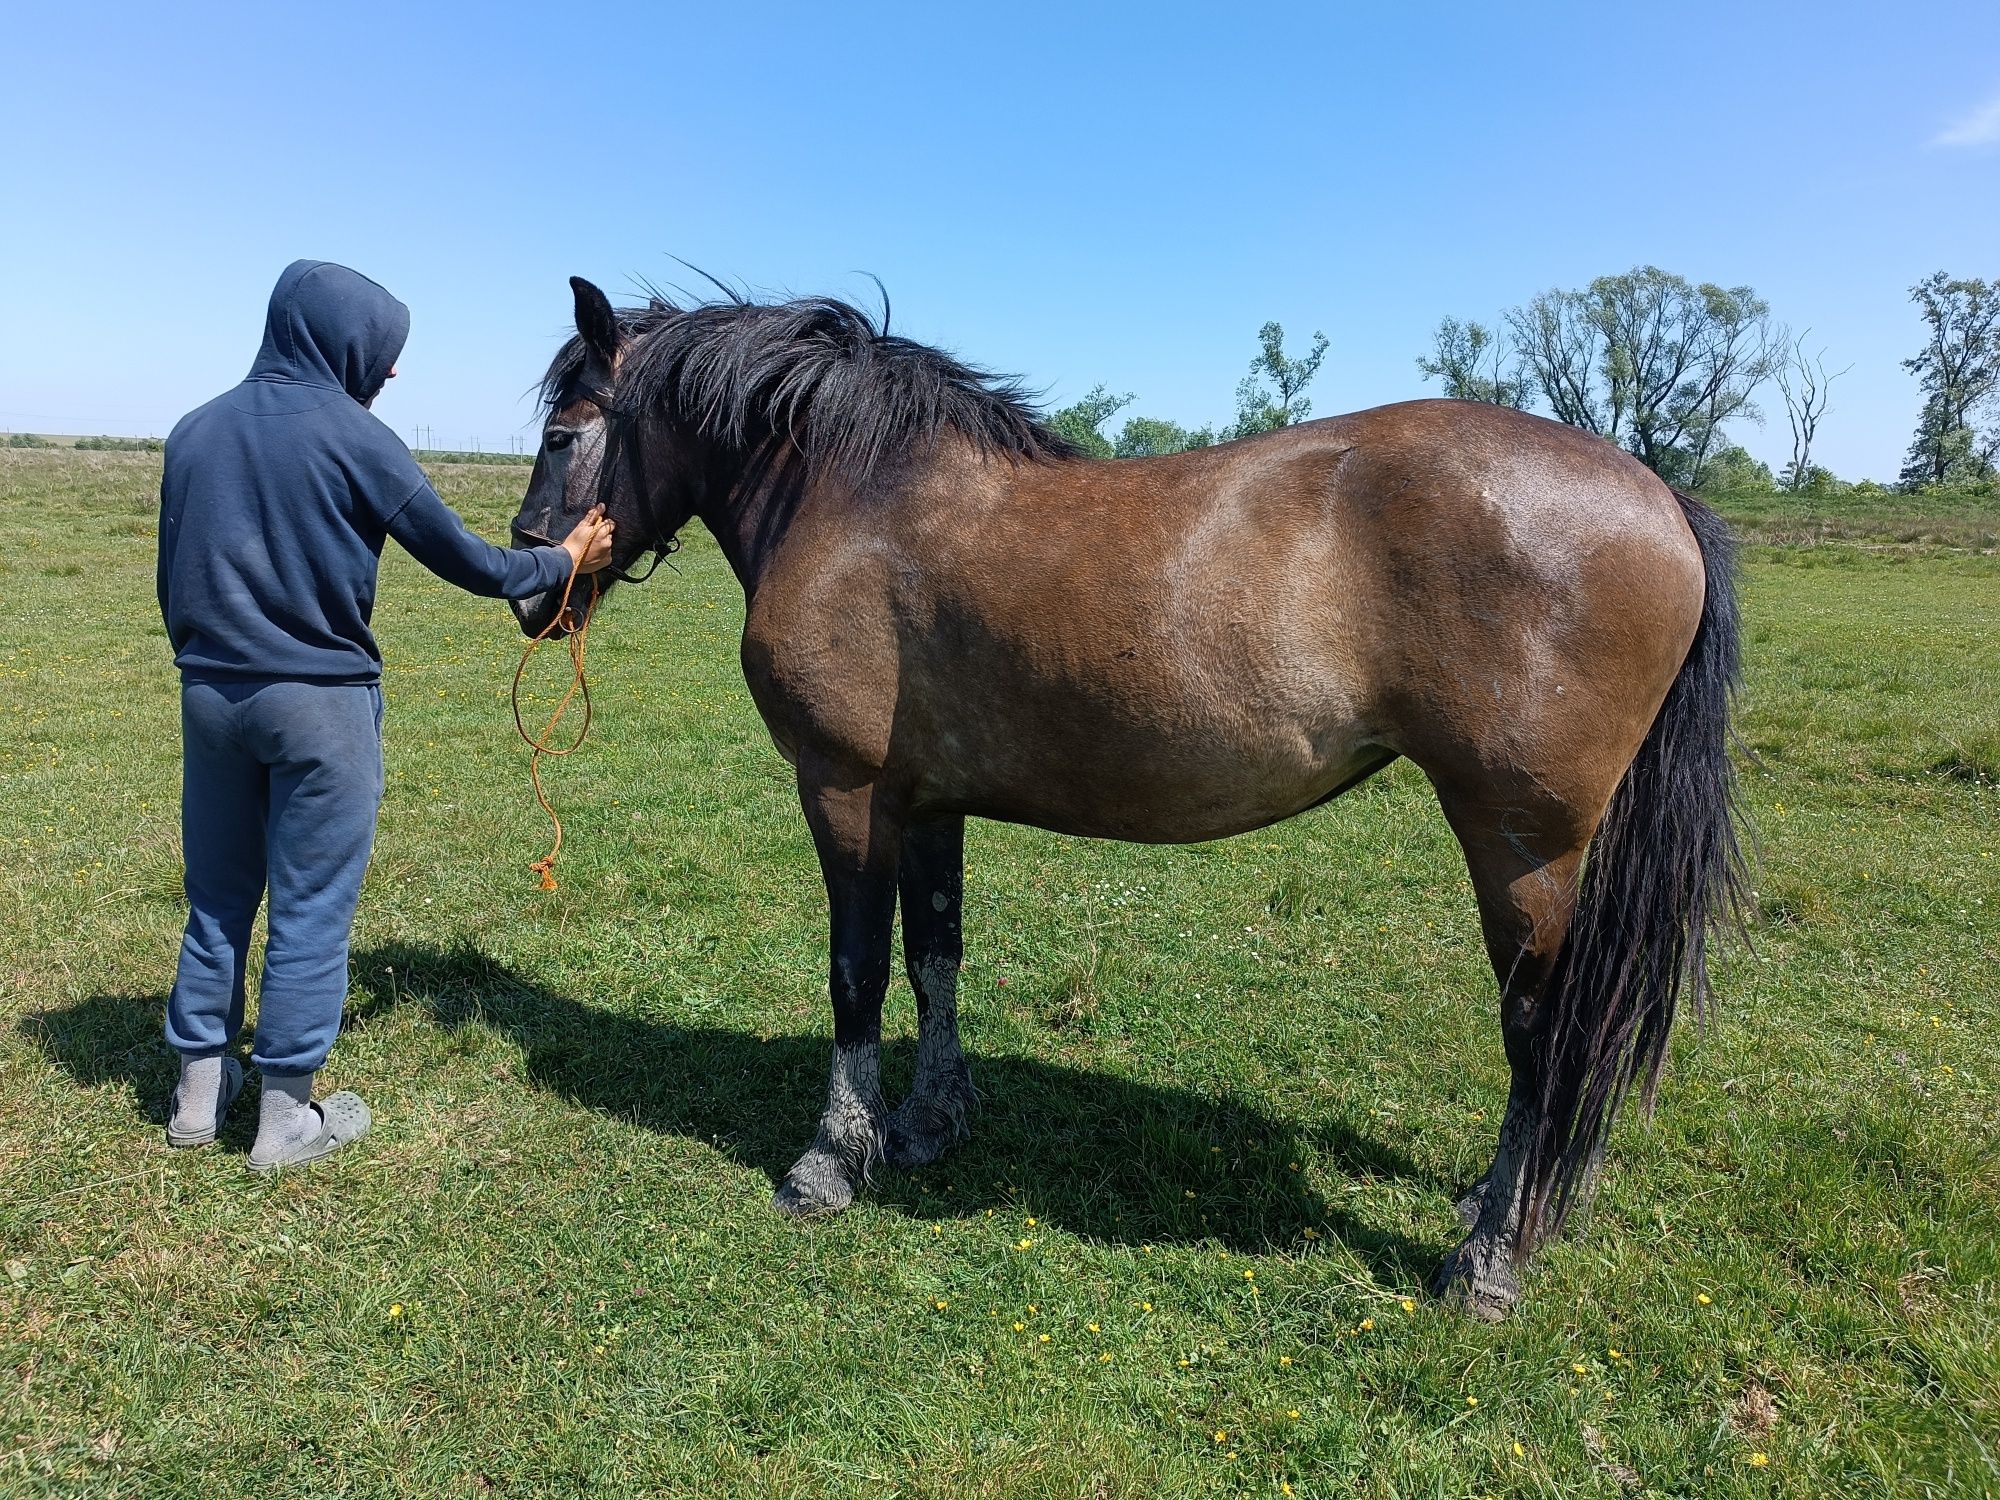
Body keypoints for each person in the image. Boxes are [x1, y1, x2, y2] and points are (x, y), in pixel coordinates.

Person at [155, 259, 613, 1170]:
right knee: (313, 907)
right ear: (339, 341)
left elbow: (174, 579)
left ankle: (198, 1095)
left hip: (208, 698)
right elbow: (477, 567)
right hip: (321, 710)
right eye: (383, 351)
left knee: (215, 896)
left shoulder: (191, 431)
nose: (391, 372)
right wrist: (564, 559)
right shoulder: (360, 440)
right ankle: (287, 1120)